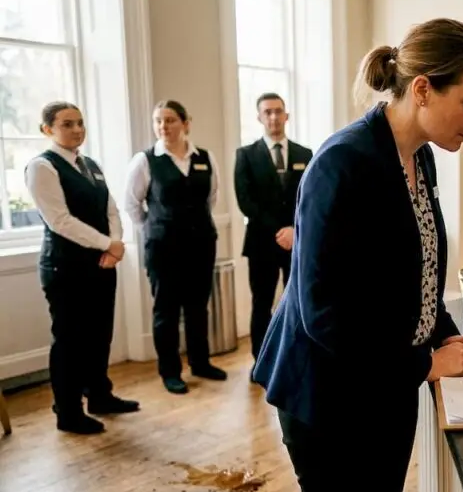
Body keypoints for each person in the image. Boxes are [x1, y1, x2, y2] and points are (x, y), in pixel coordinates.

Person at [252, 18, 463, 492]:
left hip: (382, 384)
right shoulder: (342, 163)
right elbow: (324, 315)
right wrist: (424, 366)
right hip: (329, 395)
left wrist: (448, 336)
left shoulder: (419, 157)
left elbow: (419, 266)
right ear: (424, 89)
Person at [25, 101, 139, 434]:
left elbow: (111, 209)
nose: (77, 130)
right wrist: (108, 244)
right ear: (47, 129)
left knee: (99, 334)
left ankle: (100, 396)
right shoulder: (42, 167)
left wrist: (115, 245)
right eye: (67, 124)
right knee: (70, 340)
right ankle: (68, 411)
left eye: (80, 123)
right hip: (65, 267)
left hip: (102, 263)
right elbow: (60, 220)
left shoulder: (90, 164)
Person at [125, 100, 228, 394]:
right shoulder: (145, 160)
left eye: (170, 120)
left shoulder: (205, 157)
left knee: (198, 307)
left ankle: (201, 362)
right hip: (163, 247)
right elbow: (133, 205)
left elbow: (212, 197)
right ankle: (170, 371)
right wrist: (156, 224)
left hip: (201, 244)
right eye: (158, 121)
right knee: (166, 311)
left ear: (186, 123)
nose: (163, 126)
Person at [234, 92, 312, 369]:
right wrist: (279, 230)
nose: (274, 117)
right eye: (267, 112)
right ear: (259, 117)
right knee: (262, 304)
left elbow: (309, 198)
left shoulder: (305, 154)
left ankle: (297, 358)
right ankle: (261, 362)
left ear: (286, 115)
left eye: (278, 111)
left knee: (300, 302)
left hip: (298, 241)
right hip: (261, 243)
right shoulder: (245, 155)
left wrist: (294, 230)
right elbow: (246, 202)